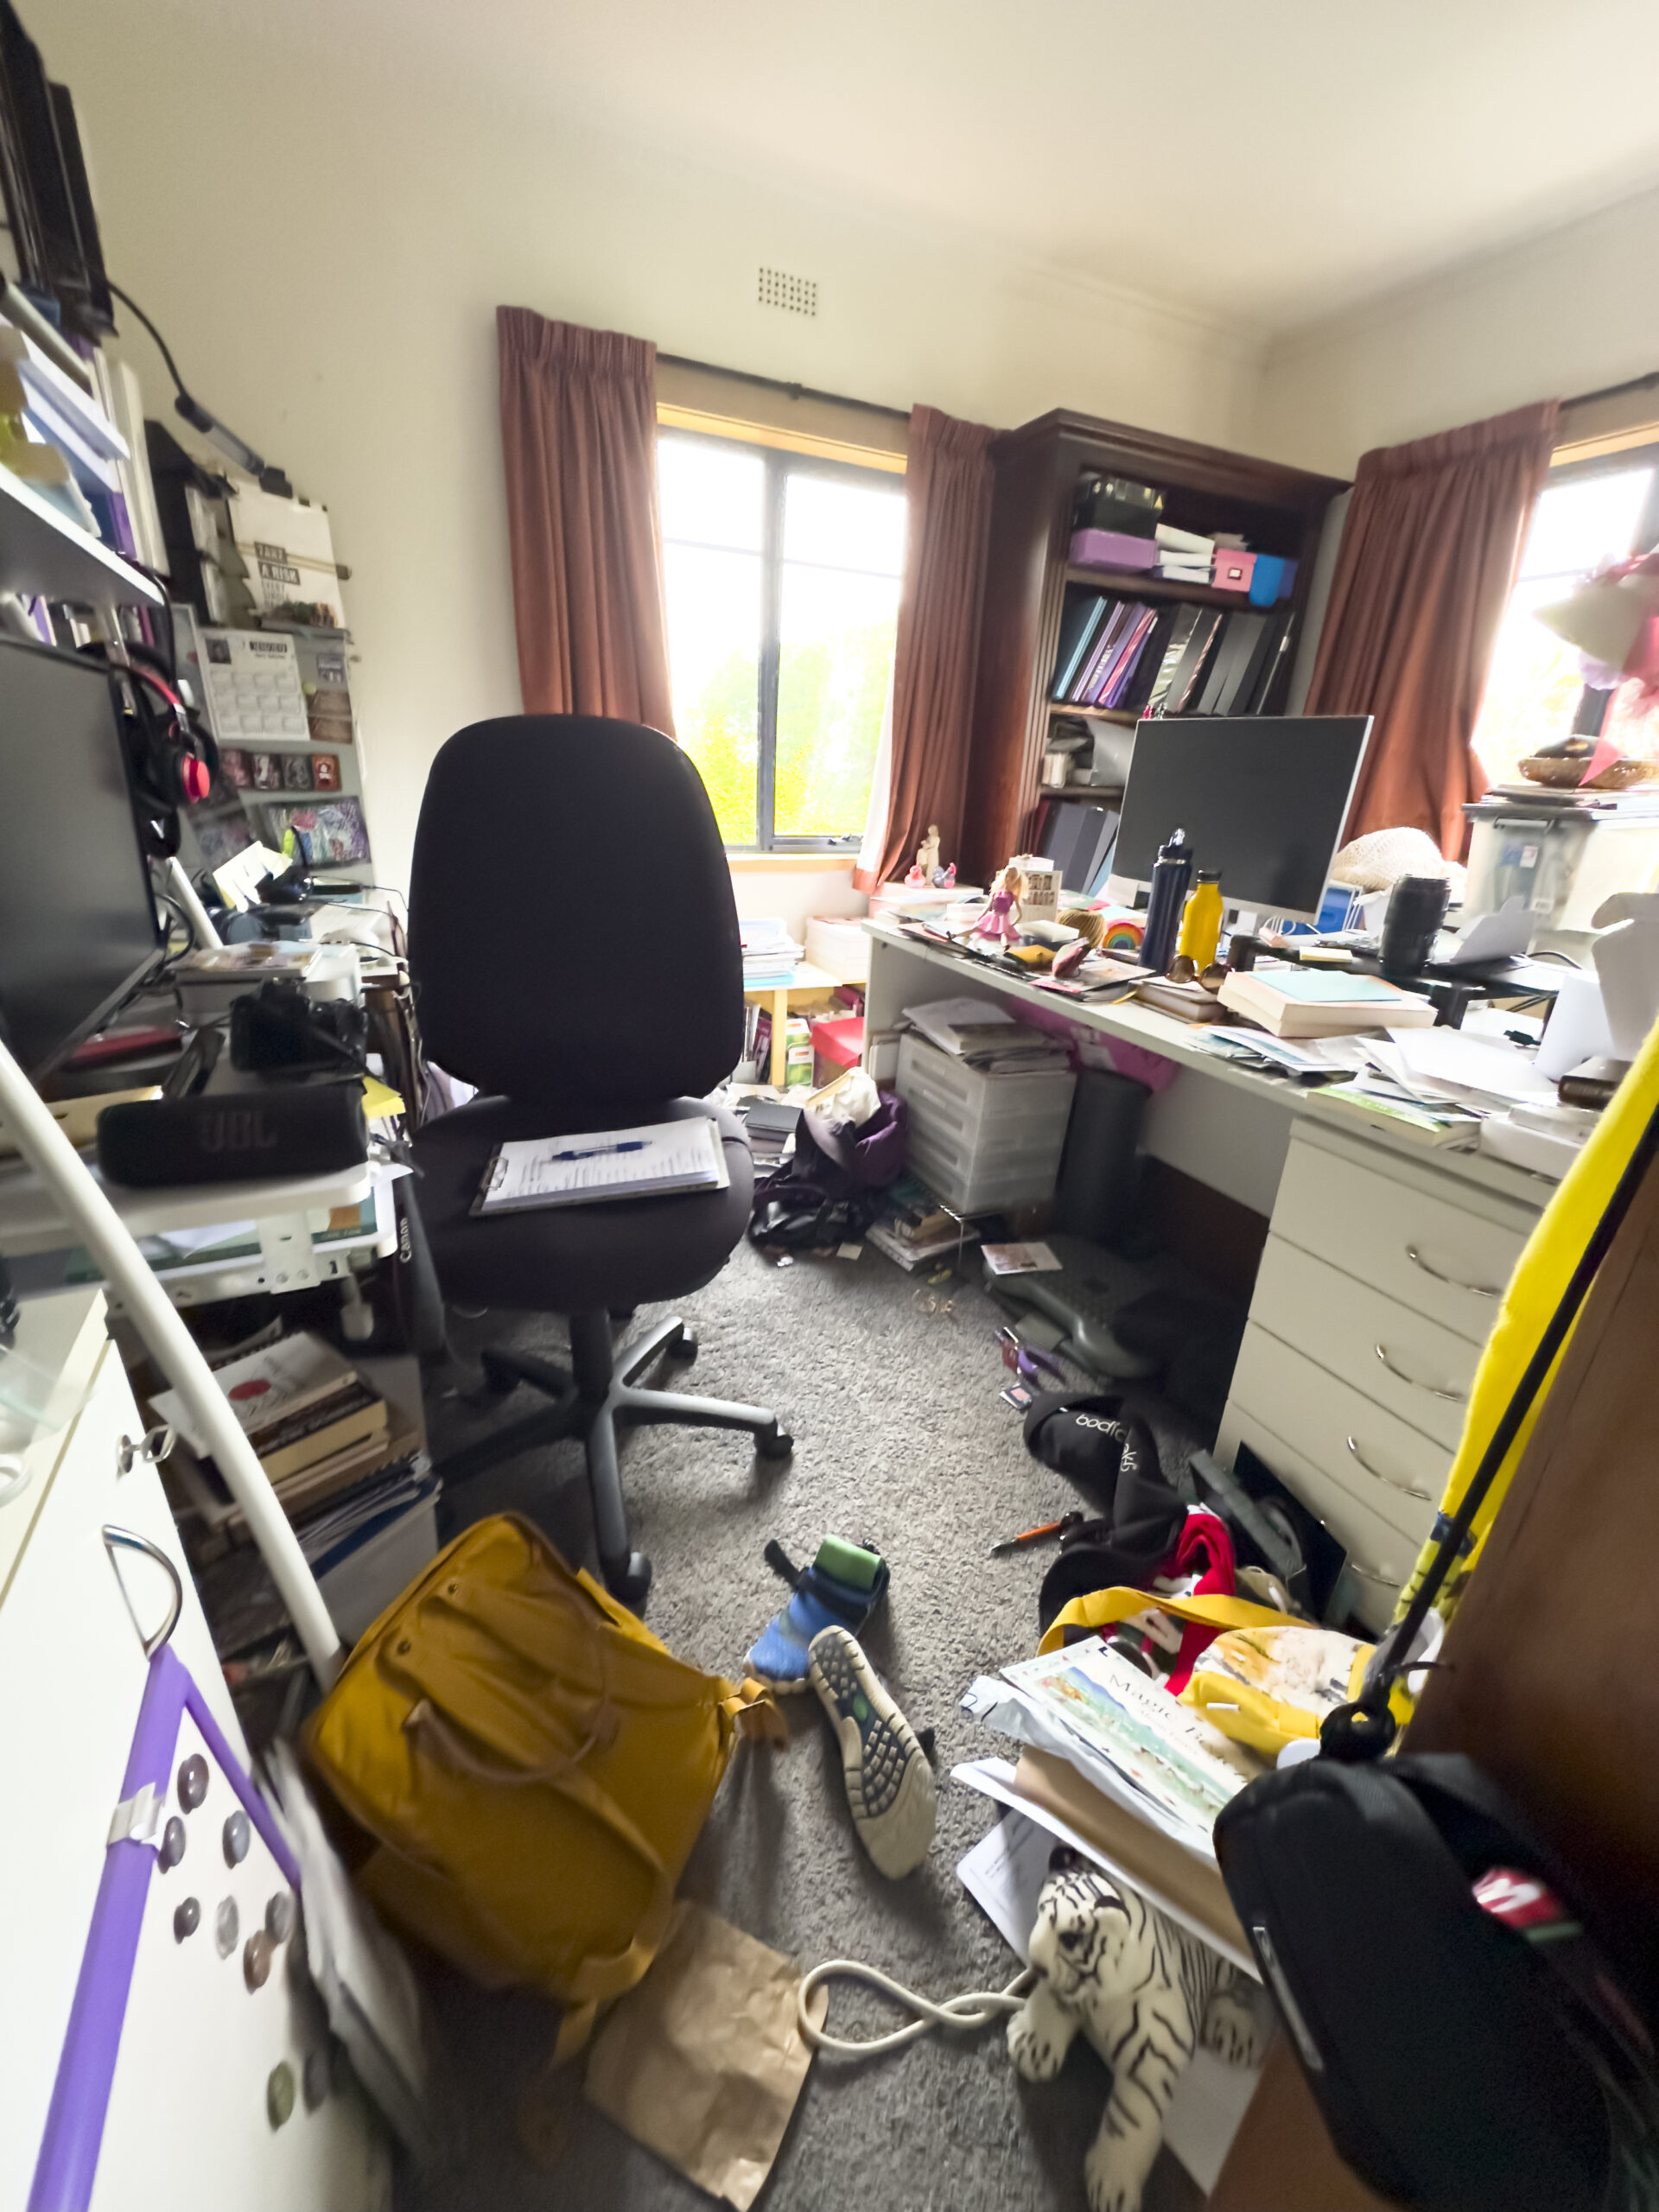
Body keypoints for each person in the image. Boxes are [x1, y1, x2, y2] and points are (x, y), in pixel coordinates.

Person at [973, 865, 1022, 946]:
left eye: (1012, 877)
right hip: (992, 916)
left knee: (1003, 934)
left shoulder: (1012, 896)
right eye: (1007, 876)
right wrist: (980, 916)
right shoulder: (997, 892)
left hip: (1003, 920)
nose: (1008, 879)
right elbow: (988, 907)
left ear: (1015, 880)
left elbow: (1020, 914)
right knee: (975, 929)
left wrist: (1012, 924)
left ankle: (1005, 946)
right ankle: (954, 936)